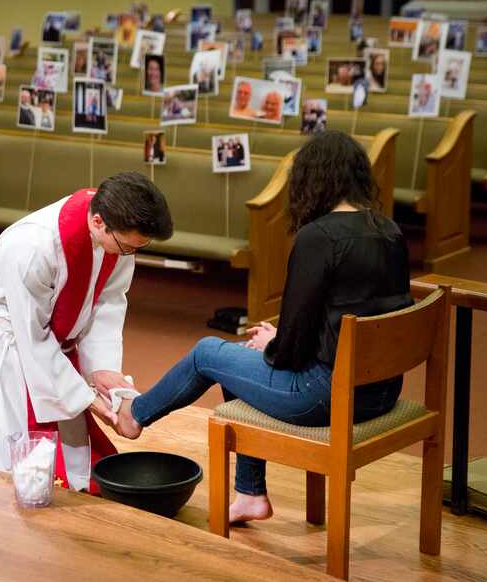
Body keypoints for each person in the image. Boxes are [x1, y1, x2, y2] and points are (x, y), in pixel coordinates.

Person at [110, 131, 412, 523]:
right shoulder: (390, 231)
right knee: (238, 359)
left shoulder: (318, 238)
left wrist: (275, 342)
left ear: (312, 179)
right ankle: (250, 494)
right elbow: (361, 315)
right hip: (380, 391)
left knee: (208, 353)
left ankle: (135, 415)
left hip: (325, 396)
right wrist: (279, 340)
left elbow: (291, 352)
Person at [0, 173, 174, 494]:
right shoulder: (32, 247)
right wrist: (88, 399)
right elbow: (33, 338)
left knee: (73, 465)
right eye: (127, 246)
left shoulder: (119, 238)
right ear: (98, 222)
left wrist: (102, 369)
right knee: (0, 459)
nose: (129, 255)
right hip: (10, 346)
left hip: (54, 347)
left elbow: (108, 301)